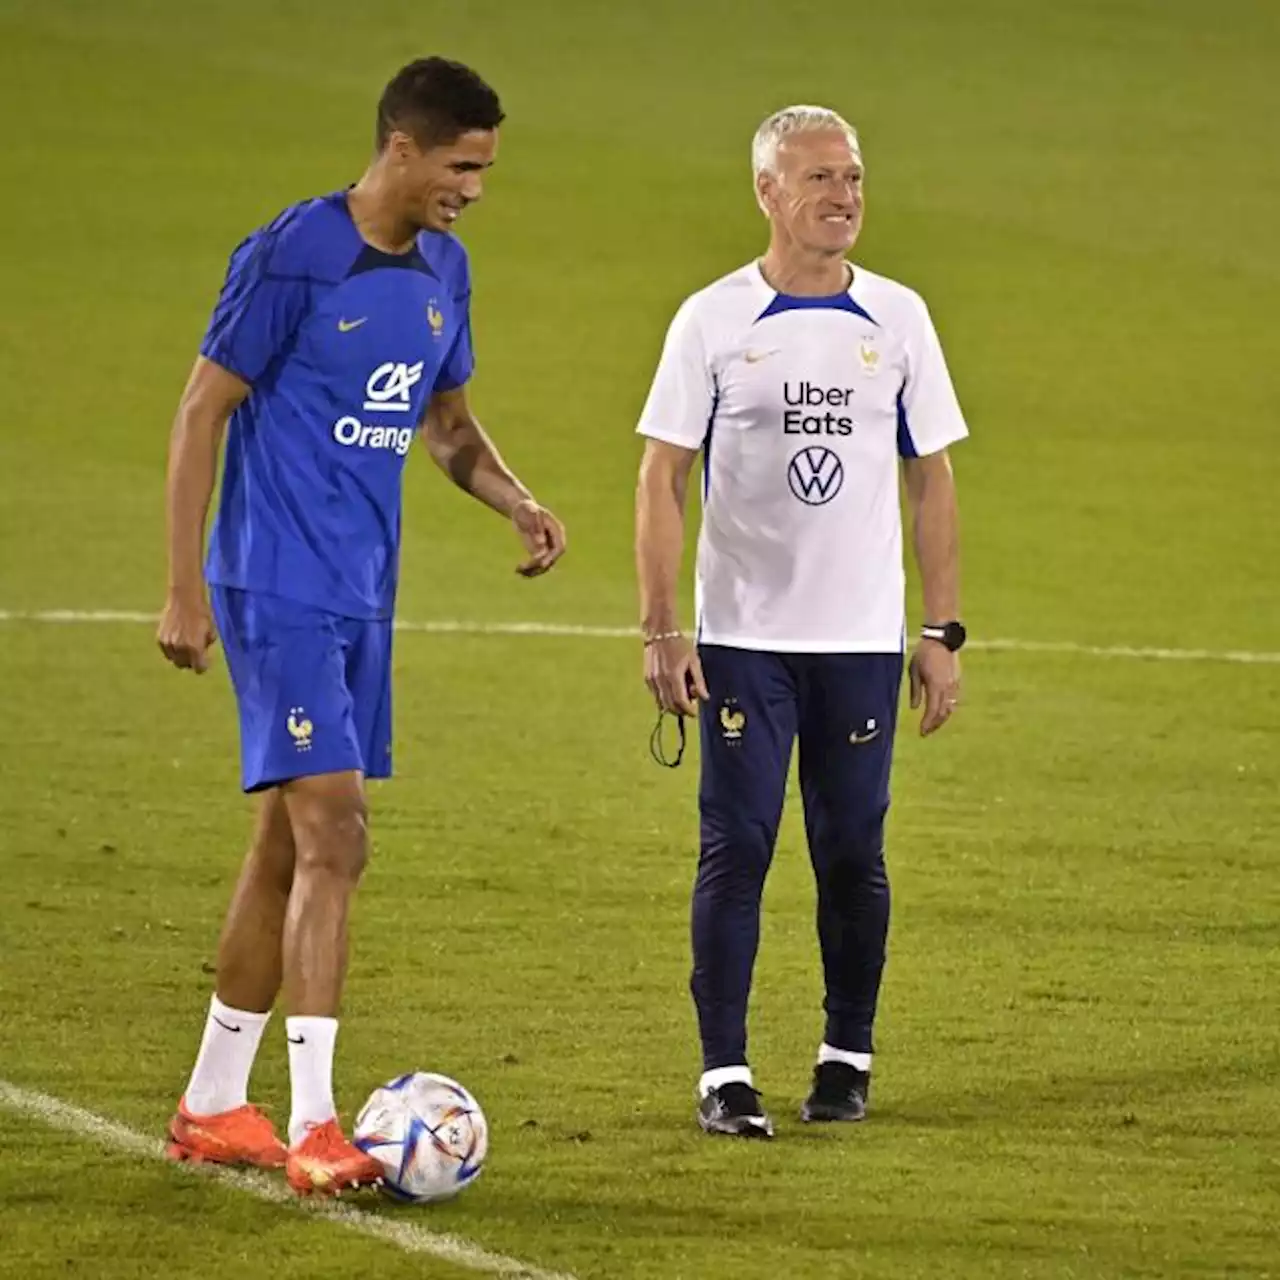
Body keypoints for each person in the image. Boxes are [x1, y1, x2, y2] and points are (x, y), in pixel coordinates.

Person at [156, 57, 566, 1193]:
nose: (473, 188)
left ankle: (211, 1100)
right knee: (339, 832)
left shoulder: (444, 267)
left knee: (287, 844)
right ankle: (320, 1121)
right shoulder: (295, 251)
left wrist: (515, 498)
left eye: (483, 169)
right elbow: (202, 410)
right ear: (401, 147)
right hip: (273, 581)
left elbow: (446, 427)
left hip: (359, 591)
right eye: (460, 165)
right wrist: (184, 586)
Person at [634, 105, 967, 1138]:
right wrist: (660, 629)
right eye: (818, 178)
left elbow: (931, 476)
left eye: (854, 177)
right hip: (741, 636)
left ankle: (844, 1056)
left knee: (850, 849)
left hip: (860, 641)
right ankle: (724, 1073)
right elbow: (662, 475)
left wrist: (940, 631)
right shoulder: (711, 320)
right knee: (735, 845)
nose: (842, 196)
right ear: (766, 192)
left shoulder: (899, 318)